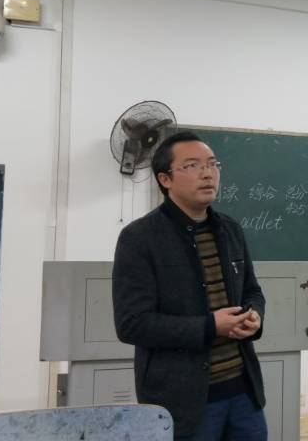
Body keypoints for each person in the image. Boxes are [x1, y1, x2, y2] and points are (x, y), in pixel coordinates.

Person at [113, 132, 268, 440]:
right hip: (183, 402)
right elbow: (133, 324)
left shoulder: (230, 229)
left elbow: (252, 290)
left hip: (244, 394)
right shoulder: (139, 239)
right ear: (165, 179)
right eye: (193, 165)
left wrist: (255, 315)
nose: (208, 173)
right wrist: (210, 326)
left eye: (212, 164)